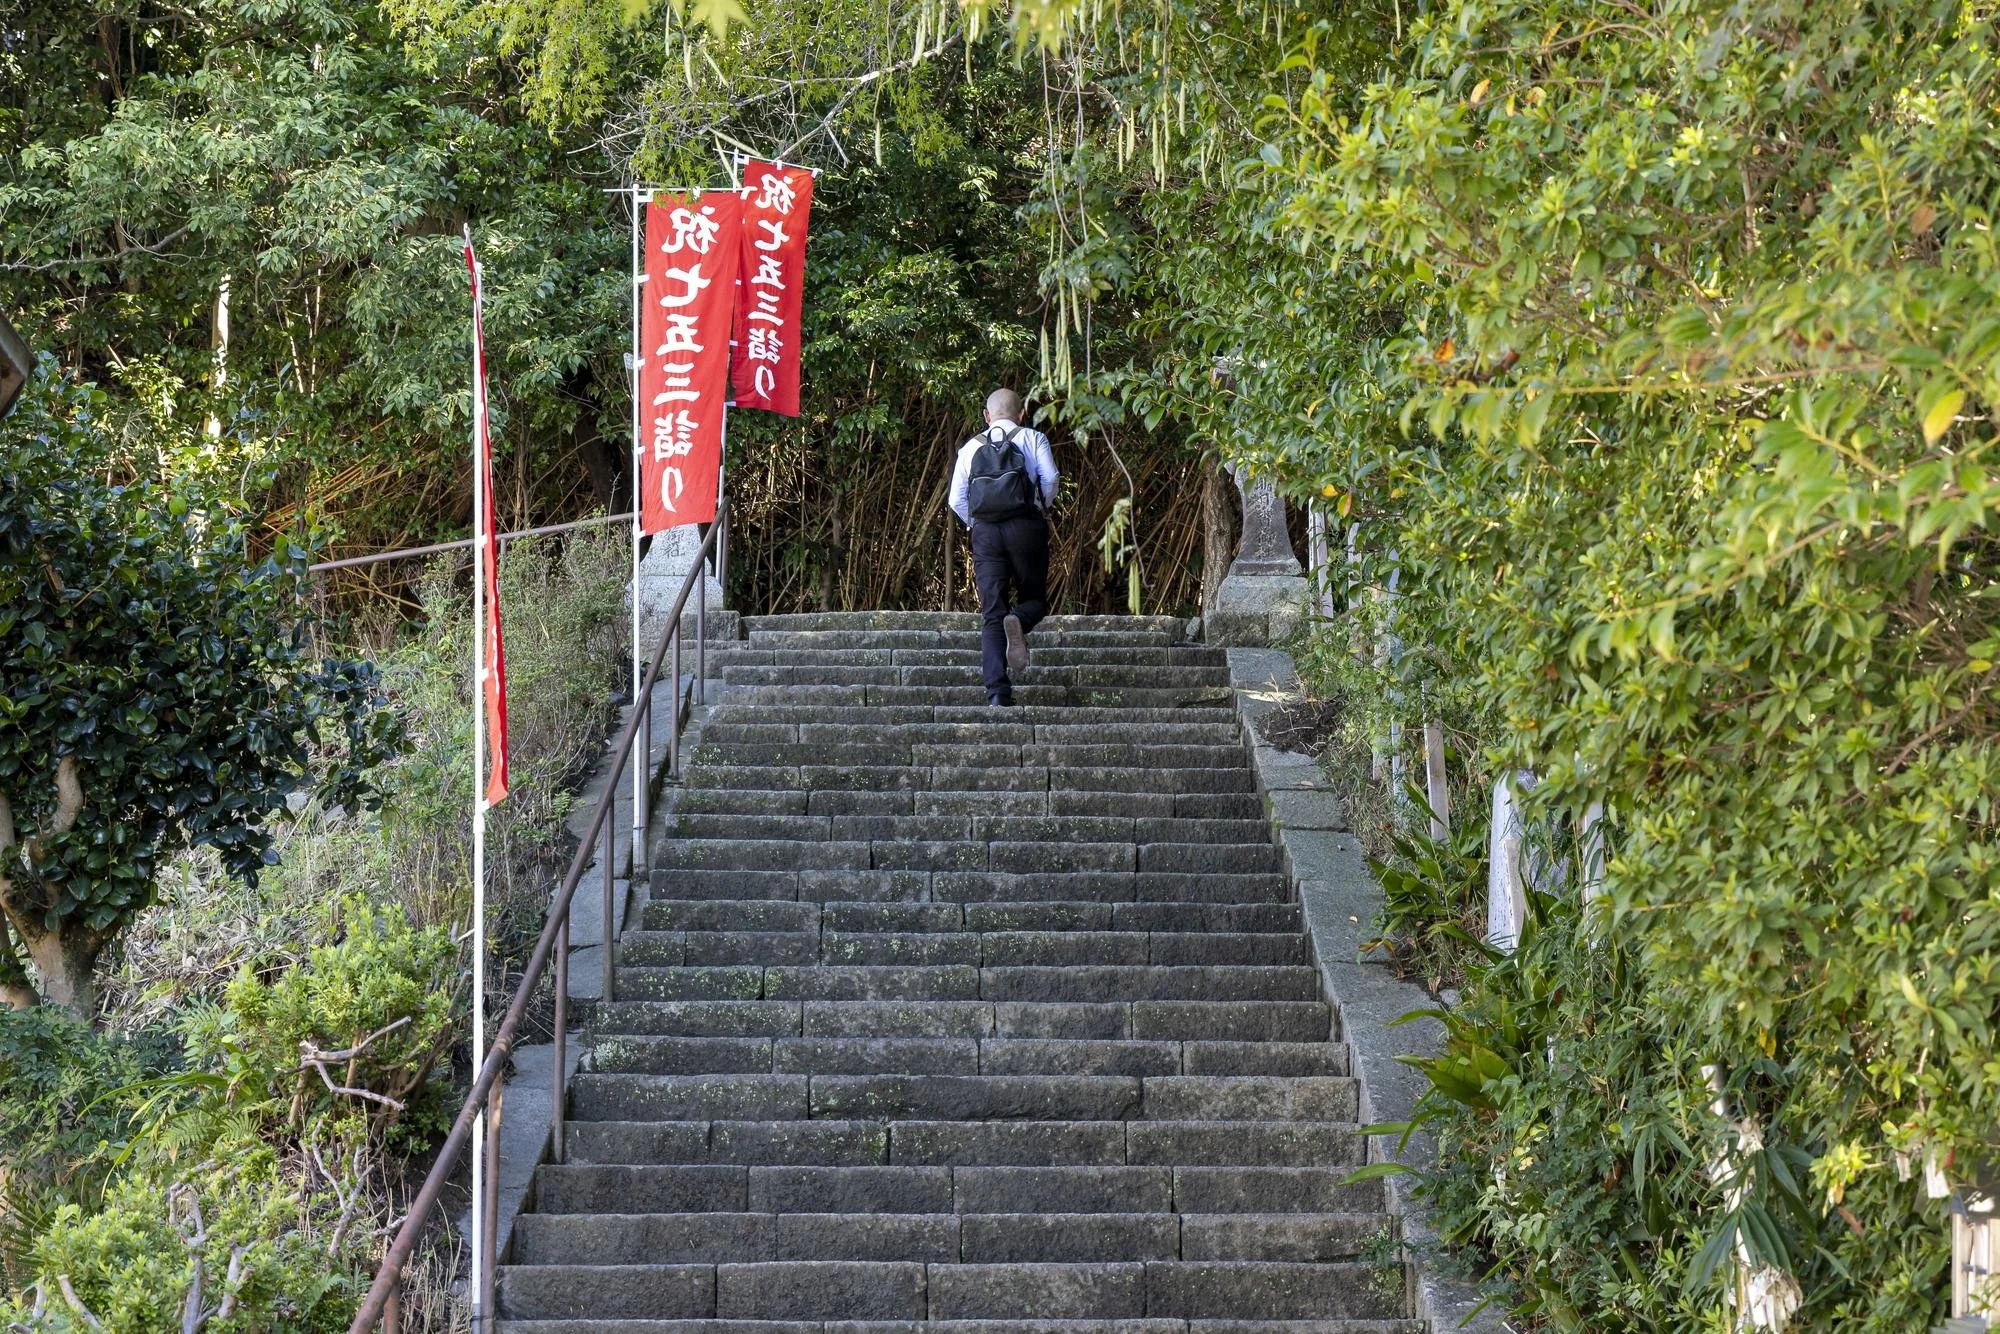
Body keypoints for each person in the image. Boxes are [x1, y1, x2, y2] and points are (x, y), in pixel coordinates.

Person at [949, 388, 1059, 706]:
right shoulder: (1034, 438)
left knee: (991, 613)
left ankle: (998, 693)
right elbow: (1050, 478)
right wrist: (1038, 508)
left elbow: (956, 499)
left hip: (986, 534)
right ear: (1022, 413)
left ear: (987, 415)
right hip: (1026, 527)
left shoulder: (971, 448)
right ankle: (1020, 620)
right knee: (1034, 598)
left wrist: (978, 523)